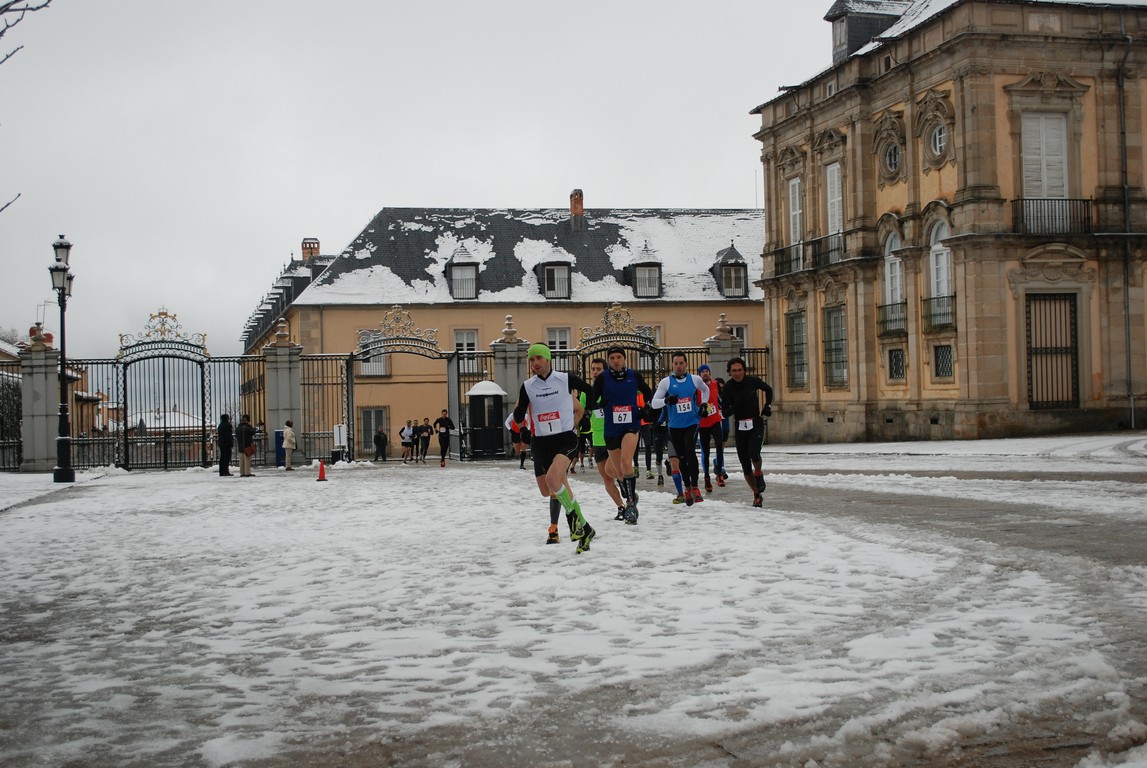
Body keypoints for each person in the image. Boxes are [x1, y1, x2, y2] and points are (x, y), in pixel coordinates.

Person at [511, 342, 597, 553]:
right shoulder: (528, 386)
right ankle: (585, 528)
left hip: (564, 440)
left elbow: (589, 391)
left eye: (539, 358)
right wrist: (522, 427)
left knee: (553, 480)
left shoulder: (565, 379)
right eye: (531, 359)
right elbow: (519, 410)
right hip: (541, 443)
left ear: (548, 359)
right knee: (548, 490)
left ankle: (573, 521)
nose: (535, 363)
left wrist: (587, 413)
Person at [591, 346, 654, 525]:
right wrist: (600, 404)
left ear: (624, 358)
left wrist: (644, 407)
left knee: (626, 463)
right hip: (611, 429)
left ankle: (631, 505)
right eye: (612, 358)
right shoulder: (603, 378)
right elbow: (592, 399)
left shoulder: (634, 375)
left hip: (631, 425)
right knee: (615, 471)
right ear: (609, 360)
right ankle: (631, 493)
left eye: (619, 357)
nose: (616, 361)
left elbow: (648, 392)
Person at [651, 352, 710, 506]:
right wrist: (666, 400)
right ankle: (687, 487)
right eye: (676, 363)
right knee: (682, 457)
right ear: (672, 365)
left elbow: (706, 390)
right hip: (675, 426)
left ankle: (695, 487)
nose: (678, 366)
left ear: (686, 364)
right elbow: (654, 403)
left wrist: (704, 404)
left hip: (692, 422)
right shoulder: (666, 382)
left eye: (681, 363)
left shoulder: (695, 379)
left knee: (690, 451)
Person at [719, 357, 775, 508]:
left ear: (744, 370)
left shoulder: (752, 381)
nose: (737, 373)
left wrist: (767, 406)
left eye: (740, 370)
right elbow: (724, 412)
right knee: (745, 465)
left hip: (755, 423)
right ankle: (756, 494)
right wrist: (734, 407)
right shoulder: (728, 388)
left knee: (754, 453)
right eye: (734, 371)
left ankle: (758, 473)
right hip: (740, 427)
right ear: (729, 372)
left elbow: (768, 390)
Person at [585, 358, 627, 519]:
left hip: (613, 437)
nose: (595, 372)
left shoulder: (612, 388)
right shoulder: (587, 393)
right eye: (593, 369)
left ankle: (627, 488)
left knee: (613, 470)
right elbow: (581, 411)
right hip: (597, 440)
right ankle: (621, 507)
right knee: (606, 478)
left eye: (598, 369)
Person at [697, 364, 726, 491]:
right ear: (699, 374)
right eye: (702, 371)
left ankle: (719, 473)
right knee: (706, 451)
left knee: (719, 445)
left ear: (710, 373)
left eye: (706, 371)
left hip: (715, 420)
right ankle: (707, 477)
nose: (705, 373)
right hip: (703, 423)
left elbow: (721, 399)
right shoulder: (697, 387)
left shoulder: (716, 384)